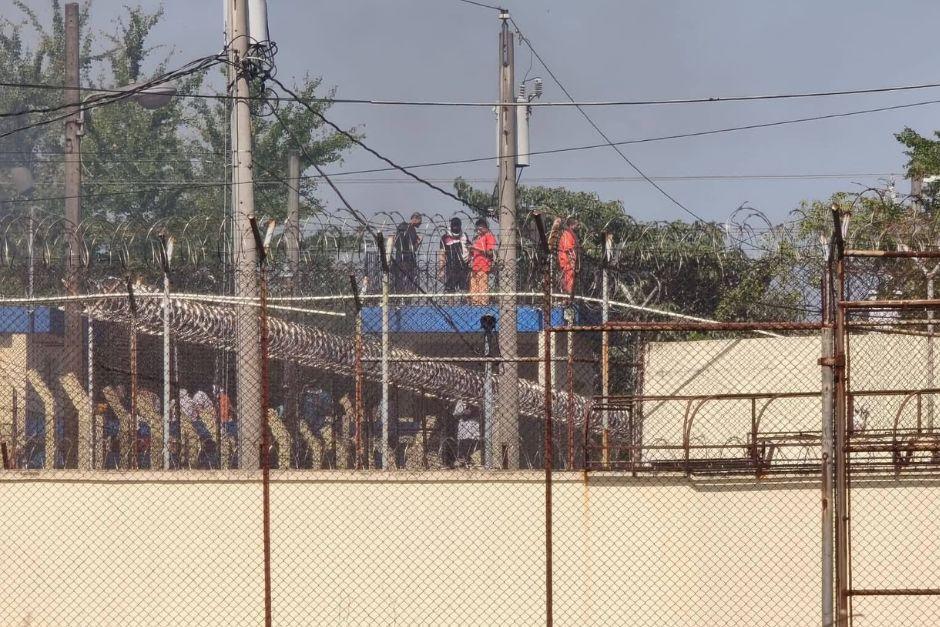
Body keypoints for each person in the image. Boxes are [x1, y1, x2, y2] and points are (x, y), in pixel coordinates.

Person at [439, 217, 471, 293]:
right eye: (454, 226)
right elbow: (441, 254)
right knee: (450, 291)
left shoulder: (464, 236)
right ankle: (450, 305)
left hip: (463, 268)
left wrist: (470, 262)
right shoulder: (445, 237)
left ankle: (464, 304)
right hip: (450, 268)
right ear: (451, 226)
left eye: (457, 226)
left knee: (464, 290)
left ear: (460, 226)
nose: (456, 227)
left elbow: (470, 250)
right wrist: (441, 269)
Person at [469, 218, 497, 305]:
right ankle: (475, 303)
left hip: (483, 266)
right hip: (475, 266)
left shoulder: (489, 236)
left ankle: (483, 304)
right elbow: (473, 252)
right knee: (473, 287)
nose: (478, 230)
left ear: (486, 228)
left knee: (482, 286)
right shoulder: (477, 238)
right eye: (478, 228)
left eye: (481, 228)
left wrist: (477, 249)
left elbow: (490, 253)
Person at [393, 212, 422, 292]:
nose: (421, 223)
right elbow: (401, 244)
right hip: (403, 259)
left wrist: (418, 243)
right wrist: (417, 243)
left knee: (409, 281)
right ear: (414, 219)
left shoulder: (411, 229)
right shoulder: (404, 227)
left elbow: (413, 248)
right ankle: (401, 296)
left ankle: (406, 297)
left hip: (408, 259)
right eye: (420, 221)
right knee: (402, 280)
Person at [558, 216, 580, 297]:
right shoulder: (567, 234)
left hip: (570, 263)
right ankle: (568, 299)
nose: (578, 227)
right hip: (567, 262)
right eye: (577, 225)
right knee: (569, 281)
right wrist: (573, 264)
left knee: (571, 281)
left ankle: (569, 297)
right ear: (571, 225)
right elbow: (569, 251)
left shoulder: (571, 234)